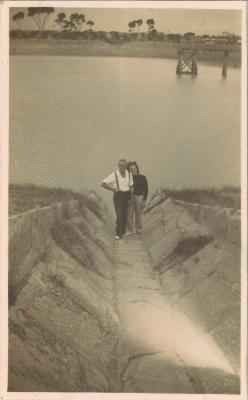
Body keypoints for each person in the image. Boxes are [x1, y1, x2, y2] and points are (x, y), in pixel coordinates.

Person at [101, 159, 134, 240]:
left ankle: (122, 232)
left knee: (124, 215)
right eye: (120, 165)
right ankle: (118, 233)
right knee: (119, 215)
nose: (122, 167)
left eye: (124, 166)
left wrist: (131, 191)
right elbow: (103, 183)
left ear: (126, 166)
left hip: (127, 196)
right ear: (118, 166)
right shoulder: (114, 175)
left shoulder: (129, 174)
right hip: (118, 196)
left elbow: (131, 185)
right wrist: (112, 189)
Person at [126, 161, 148, 234]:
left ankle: (138, 230)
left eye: (134, 168)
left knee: (138, 215)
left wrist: (144, 200)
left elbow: (146, 189)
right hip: (130, 197)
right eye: (131, 169)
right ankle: (129, 230)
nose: (133, 170)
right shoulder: (127, 178)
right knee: (129, 214)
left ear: (137, 168)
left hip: (140, 197)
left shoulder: (142, 177)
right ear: (129, 170)